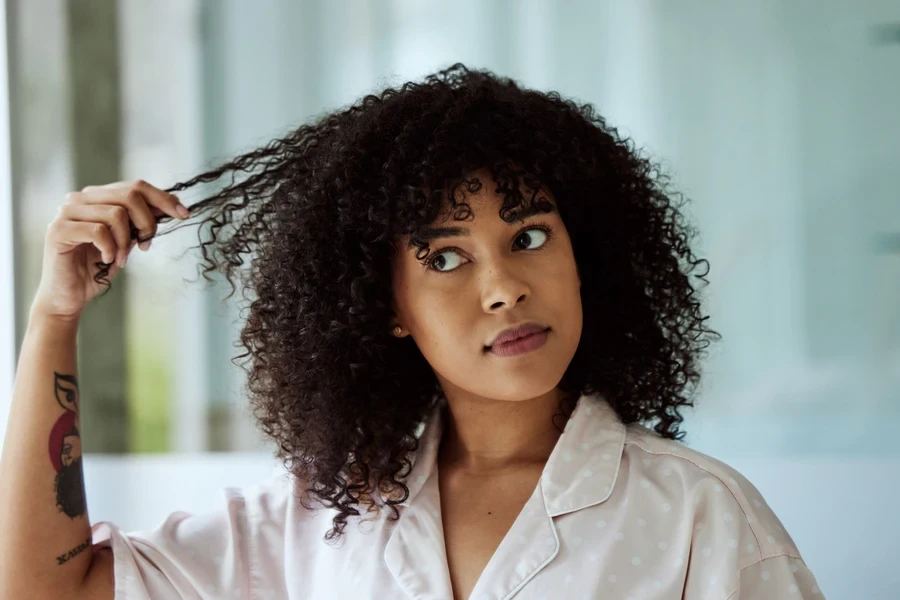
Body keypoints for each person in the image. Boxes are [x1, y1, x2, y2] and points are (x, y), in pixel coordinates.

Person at [0, 63, 826, 599]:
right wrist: (53, 319)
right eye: (444, 258)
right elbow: (49, 591)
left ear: (587, 258)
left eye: (530, 237)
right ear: (385, 304)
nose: (504, 288)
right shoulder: (322, 516)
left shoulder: (698, 516)